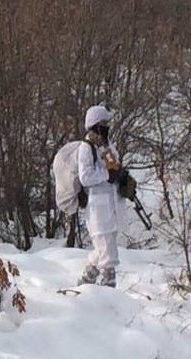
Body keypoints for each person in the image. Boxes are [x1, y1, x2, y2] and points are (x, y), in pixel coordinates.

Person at [76, 105, 128, 288]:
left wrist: (121, 175)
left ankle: (85, 282)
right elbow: (85, 177)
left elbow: (115, 165)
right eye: (103, 123)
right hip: (97, 208)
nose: (107, 126)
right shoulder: (86, 148)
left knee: (101, 251)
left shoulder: (107, 145)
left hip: (111, 205)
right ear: (95, 125)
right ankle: (108, 291)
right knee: (108, 255)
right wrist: (106, 174)